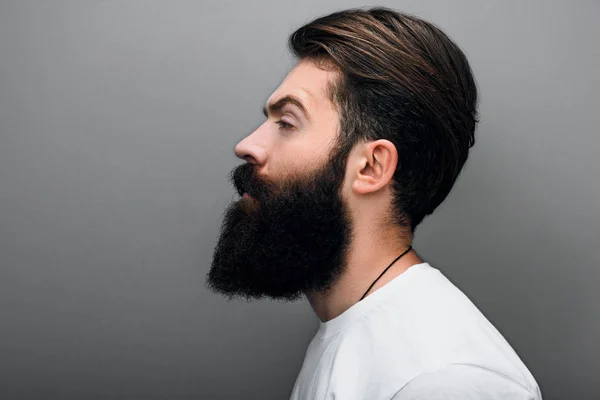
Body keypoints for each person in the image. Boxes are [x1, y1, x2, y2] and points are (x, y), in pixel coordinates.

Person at [205, 6, 542, 399]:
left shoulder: (446, 380)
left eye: (287, 123)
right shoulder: (351, 328)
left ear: (370, 166)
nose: (247, 145)